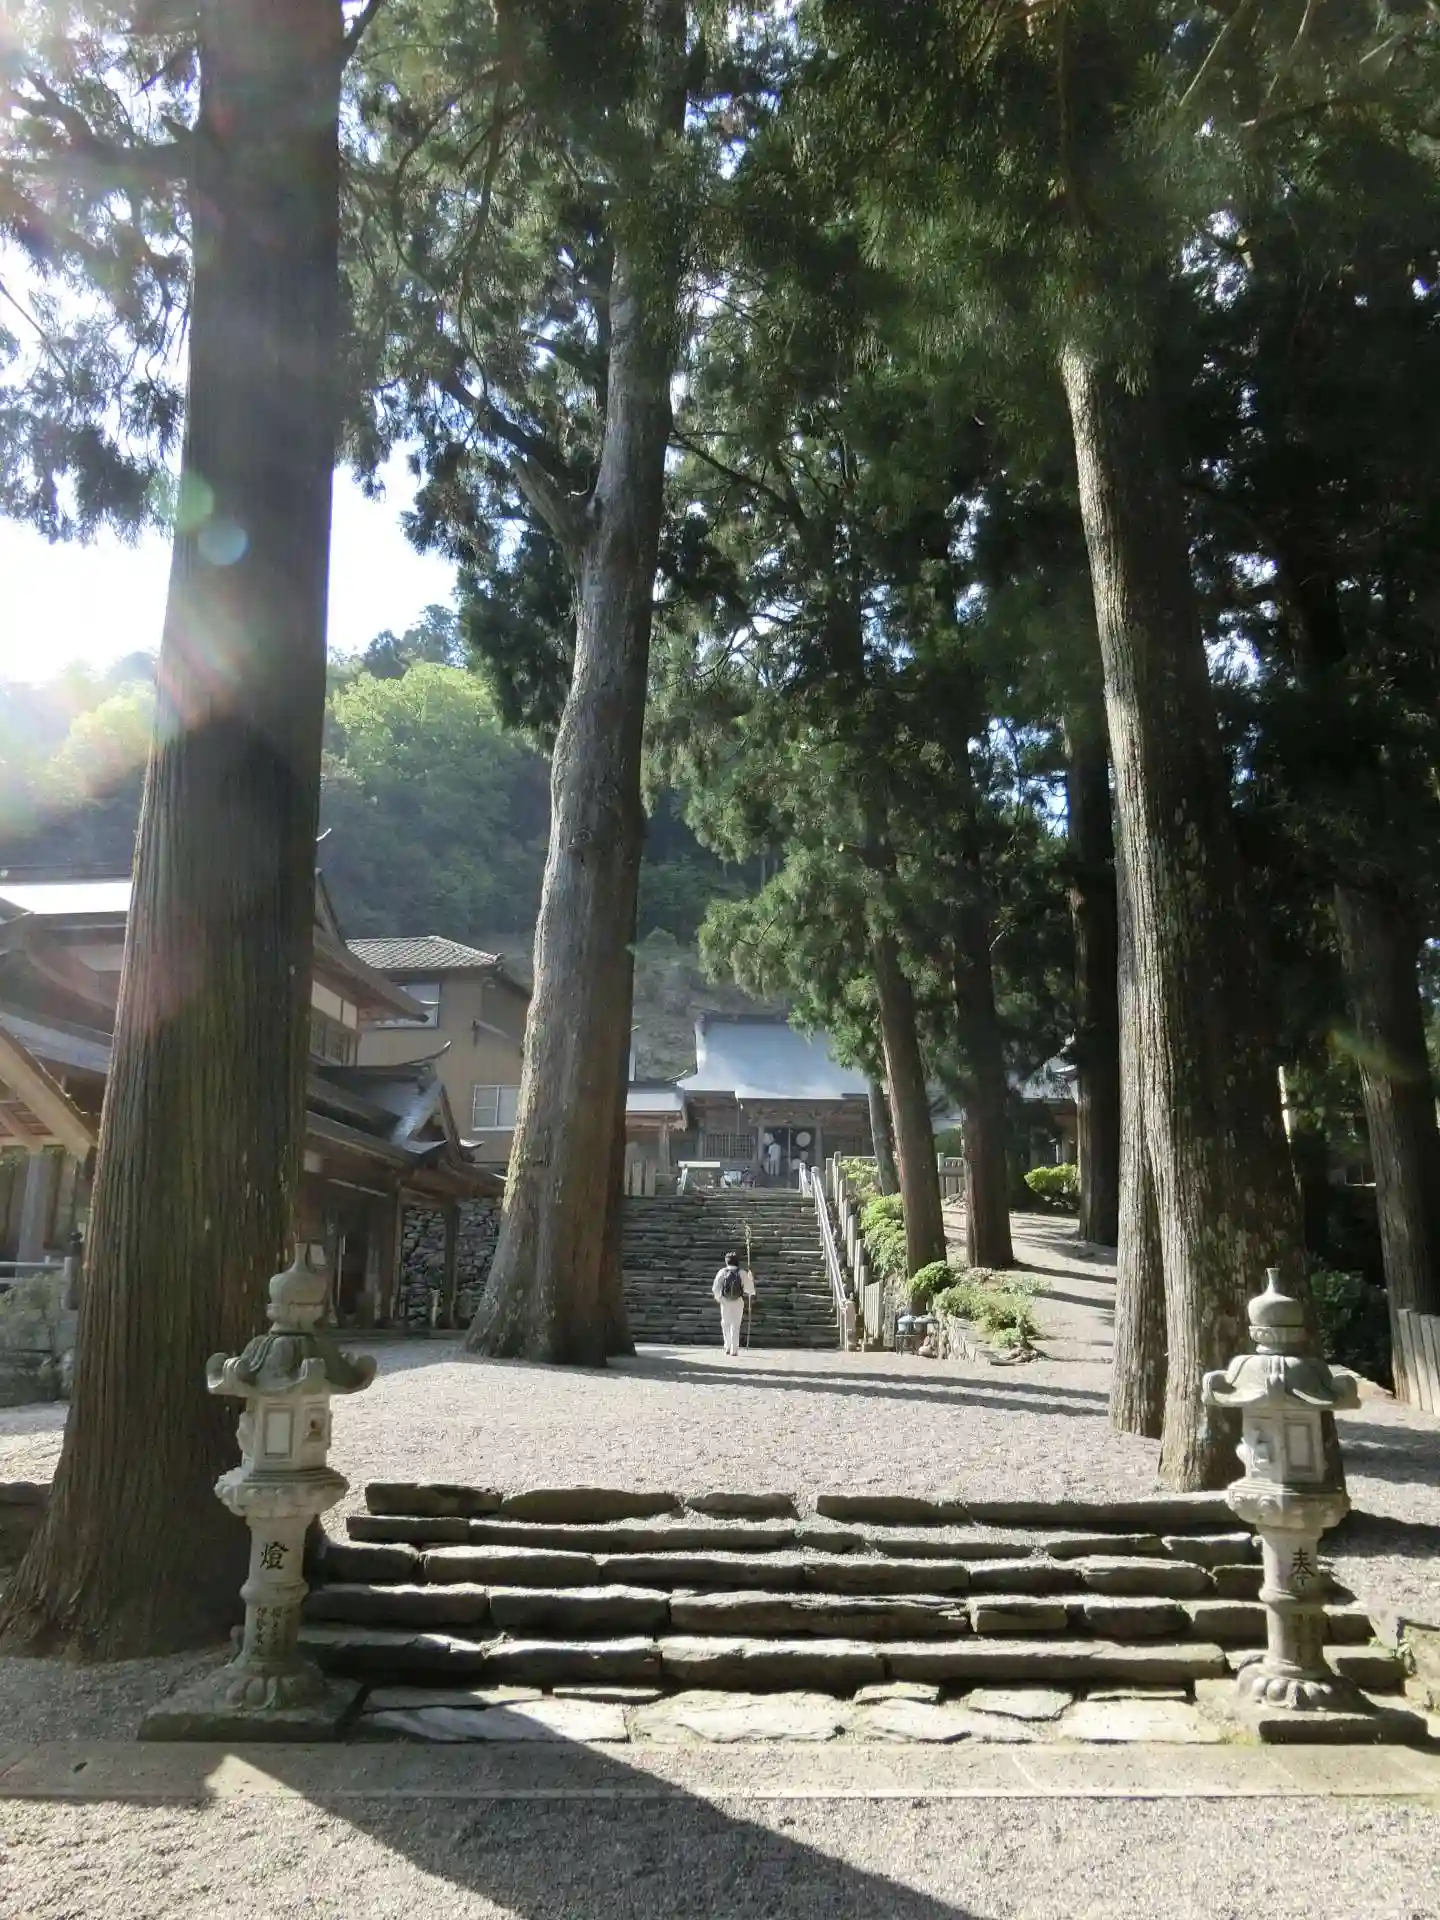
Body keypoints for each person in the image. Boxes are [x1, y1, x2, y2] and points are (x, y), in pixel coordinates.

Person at [712, 1248, 748, 1356]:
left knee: (725, 1323)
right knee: (735, 1325)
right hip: (738, 1300)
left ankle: (727, 1346)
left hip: (725, 1301)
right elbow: (748, 1289)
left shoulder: (722, 1272)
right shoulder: (742, 1272)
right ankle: (734, 1349)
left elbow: (716, 1288)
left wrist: (719, 1298)